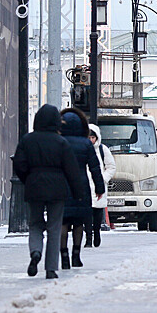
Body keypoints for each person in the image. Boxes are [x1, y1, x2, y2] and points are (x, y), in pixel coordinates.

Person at [12, 104, 86, 279]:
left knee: (35, 224)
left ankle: (35, 252)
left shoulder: (27, 140)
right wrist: (78, 193)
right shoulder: (61, 143)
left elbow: (19, 164)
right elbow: (72, 170)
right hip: (57, 189)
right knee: (54, 227)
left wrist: (28, 179)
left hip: (35, 186)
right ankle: (51, 269)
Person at [59, 108, 105, 269]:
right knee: (78, 222)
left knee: (63, 222)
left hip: (62, 184)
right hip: (81, 185)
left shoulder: (59, 142)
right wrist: (99, 187)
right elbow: (95, 167)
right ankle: (76, 255)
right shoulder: (86, 143)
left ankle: (64, 256)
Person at [85, 124, 116, 247]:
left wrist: (102, 179)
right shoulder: (83, 149)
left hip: (99, 186)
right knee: (86, 214)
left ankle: (96, 233)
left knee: (97, 214)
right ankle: (88, 237)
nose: (91, 140)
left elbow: (111, 166)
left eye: (93, 137)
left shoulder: (103, 150)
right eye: (88, 137)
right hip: (86, 186)